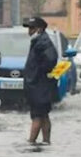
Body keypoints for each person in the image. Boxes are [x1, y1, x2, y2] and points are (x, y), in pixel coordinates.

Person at [22, 16, 58, 145]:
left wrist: (39, 74)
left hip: (39, 86)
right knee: (43, 115)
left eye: (32, 28)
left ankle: (31, 142)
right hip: (38, 86)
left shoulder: (43, 42)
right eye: (29, 28)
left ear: (40, 29)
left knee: (37, 115)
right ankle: (46, 141)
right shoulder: (38, 42)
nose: (29, 31)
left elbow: (51, 60)